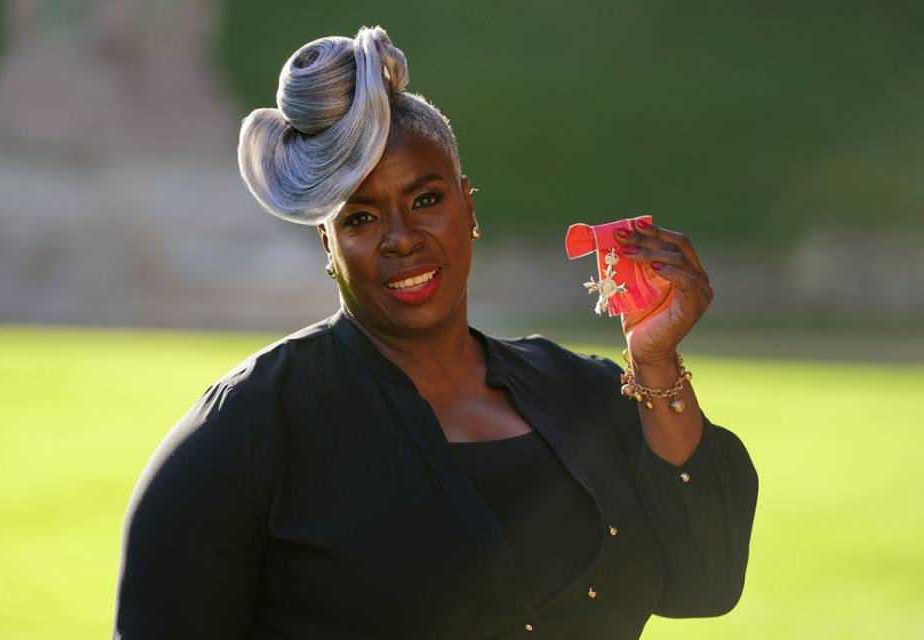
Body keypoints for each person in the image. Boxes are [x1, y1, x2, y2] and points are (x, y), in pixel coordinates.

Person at [112, 25, 758, 640]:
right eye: (362, 217)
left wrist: (654, 363)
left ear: (468, 208)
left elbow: (706, 579)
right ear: (329, 244)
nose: (401, 238)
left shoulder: (588, 397)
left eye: (426, 201)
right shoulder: (248, 430)